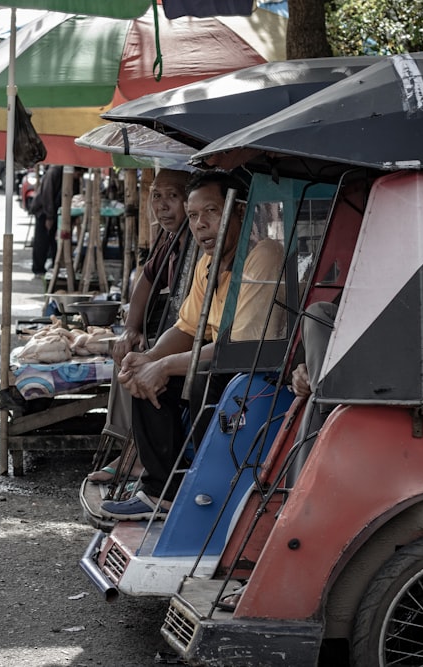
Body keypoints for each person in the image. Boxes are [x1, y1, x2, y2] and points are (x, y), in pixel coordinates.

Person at [99, 171, 286, 521]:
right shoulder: (207, 264)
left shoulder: (264, 256)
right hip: (222, 357)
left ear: (241, 212)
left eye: (211, 212)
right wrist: (150, 359)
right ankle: (161, 492)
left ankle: (211, 490)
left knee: (201, 378)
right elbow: (187, 328)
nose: (200, 225)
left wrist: (165, 366)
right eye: (195, 215)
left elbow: (240, 348)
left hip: (259, 369)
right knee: (144, 375)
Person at [87, 167, 190, 484]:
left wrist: (153, 353)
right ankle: (128, 449)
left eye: (173, 197)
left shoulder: (198, 243)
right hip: (177, 331)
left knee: (139, 363)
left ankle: (138, 457)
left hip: (195, 341)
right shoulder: (169, 241)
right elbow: (146, 277)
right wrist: (131, 328)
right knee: (128, 352)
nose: (162, 206)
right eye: (156, 196)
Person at [29, 165, 82, 277]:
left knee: (54, 242)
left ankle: (54, 266)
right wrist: (49, 217)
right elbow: (47, 195)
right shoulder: (54, 172)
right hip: (44, 211)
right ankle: (38, 269)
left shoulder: (73, 179)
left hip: (57, 213)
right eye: (78, 174)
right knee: (42, 241)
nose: (78, 177)